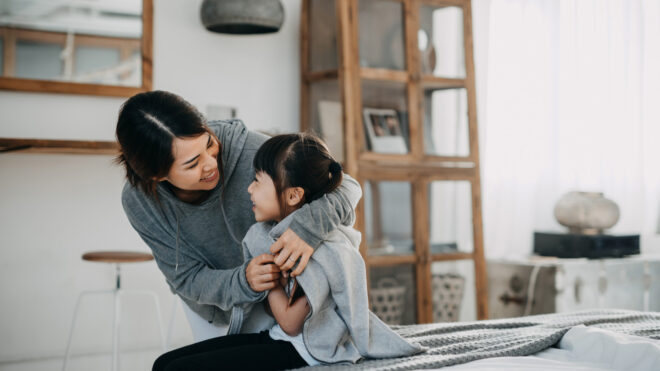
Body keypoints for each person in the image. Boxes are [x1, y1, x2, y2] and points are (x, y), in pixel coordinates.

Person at [152, 133, 423, 371]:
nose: (249, 189)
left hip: (308, 351)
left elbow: (291, 322)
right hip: (281, 338)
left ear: (293, 196)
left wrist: (271, 281)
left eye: (258, 181)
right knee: (163, 363)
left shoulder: (310, 250)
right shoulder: (279, 233)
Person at [116, 91, 362, 341]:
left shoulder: (251, 150)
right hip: (215, 310)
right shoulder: (139, 202)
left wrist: (307, 229)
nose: (211, 164)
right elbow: (187, 278)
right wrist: (243, 280)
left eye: (209, 143)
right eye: (192, 164)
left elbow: (347, 187)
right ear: (156, 176)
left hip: (283, 299)